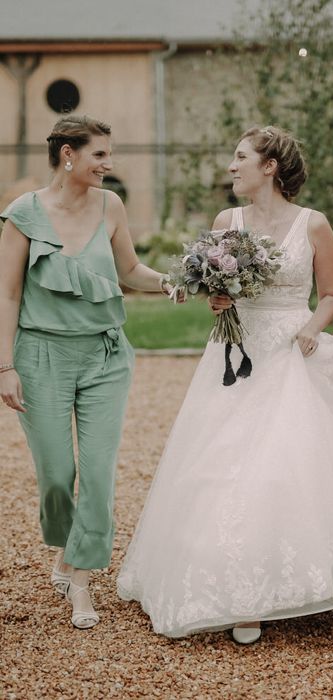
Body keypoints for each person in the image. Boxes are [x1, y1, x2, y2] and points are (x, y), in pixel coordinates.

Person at [117, 125, 333, 643]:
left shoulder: (314, 225)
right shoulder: (226, 221)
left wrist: (311, 329)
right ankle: (235, 591)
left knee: (285, 468)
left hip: (291, 352)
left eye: (240, 157)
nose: (232, 167)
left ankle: (286, 584)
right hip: (234, 353)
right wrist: (219, 299)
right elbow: (218, 285)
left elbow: (328, 295)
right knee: (220, 465)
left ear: (270, 166)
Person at [0, 115, 174, 629]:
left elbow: (128, 271)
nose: (109, 164)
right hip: (40, 357)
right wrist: (5, 365)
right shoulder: (22, 215)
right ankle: (67, 547)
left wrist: (175, 282)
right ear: (68, 155)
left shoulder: (111, 205)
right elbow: (7, 294)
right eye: (99, 154)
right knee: (57, 476)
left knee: (96, 474)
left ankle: (80, 579)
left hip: (105, 355)